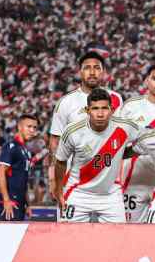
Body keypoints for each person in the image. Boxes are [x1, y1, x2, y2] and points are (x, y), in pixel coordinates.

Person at [53, 88, 139, 223]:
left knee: (119, 239)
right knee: (67, 237)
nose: (100, 114)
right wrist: (58, 189)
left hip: (111, 194)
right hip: (79, 193)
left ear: (111, 109)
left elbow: (144, 141)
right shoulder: (72, 131)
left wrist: (122, 152)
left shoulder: (126, 127)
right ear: (87, 110)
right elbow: (60, 162)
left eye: (104, 108)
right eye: (95, 109)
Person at [48, 50, 124, 199]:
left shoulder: (116, 99)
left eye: (97, 68)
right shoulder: (66, 102)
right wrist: (53, 178)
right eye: (87, 68)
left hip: (107, 184)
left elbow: (120, 137)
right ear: (80, 72)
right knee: (67, 223)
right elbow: (54, 142)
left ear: (103, 72)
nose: (92, 72)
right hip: (72, 181)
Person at [118, 64, 155, 222]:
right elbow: (118, 140)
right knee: (130, 232)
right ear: (147, 81)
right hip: (134, 181)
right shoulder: (131, 107)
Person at [0, 114, 39, 221]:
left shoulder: (27, 152)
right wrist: (6, 200)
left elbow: (24, 180)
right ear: (19, 127)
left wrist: (27, 204)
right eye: (29, 126)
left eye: (34, 127)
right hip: (9, 203)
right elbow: (0, 173)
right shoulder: (11, 146)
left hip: (20, 203)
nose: (32, 130)